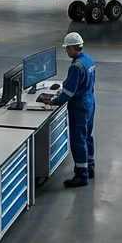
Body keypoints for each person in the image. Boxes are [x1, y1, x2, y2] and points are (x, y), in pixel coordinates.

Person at [39, 32, 96, 188]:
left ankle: (81, 175)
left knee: (78, 141)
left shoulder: (76, 66)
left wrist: (53, 101)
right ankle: (90, 167)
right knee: (87, 136)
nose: (66, 52)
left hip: (79, 107)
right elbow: (82, 83)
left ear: (72, 48)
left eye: (67, 49)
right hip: (89, 102)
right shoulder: (89, 60)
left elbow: (69, 93)